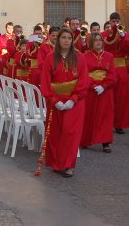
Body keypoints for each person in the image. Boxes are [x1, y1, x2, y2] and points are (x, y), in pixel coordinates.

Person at [40, 27, 89, 178]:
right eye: (63, 38)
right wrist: (53, 100)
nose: (66, 40)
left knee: (70, 133)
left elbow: (83, 81)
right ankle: (57, 163)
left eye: (69, 38)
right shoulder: (50, 58)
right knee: (56, 133)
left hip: (75, 102)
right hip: (55, 101)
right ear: (58, 40)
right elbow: (46, 81)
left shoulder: (79, 57)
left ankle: (68, 165)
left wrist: (73, 99)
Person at [81, 33, 116, 153]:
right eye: (95, 40)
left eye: (100, 40)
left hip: (105, 90)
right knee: (88, 115)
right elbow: (84, 74)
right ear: (91, 42)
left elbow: (112, 75)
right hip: (91, 90)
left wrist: (104, 85)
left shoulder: (109, 56)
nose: (98, 42)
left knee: (105, 116)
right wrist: (94, 85)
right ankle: (85, 140)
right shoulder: (84, 56)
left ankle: (105, 142)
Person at [102, 12, 129, 134]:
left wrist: (123, 36)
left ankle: (119, 124)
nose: (115, 23)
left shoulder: (124, 35)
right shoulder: (104, 34)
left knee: (121, 97)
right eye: (113, 21)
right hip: (108, 68)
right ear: (109, 22)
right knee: (108, 97)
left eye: (117, 21)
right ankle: (107, 122)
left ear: (120, 22)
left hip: (120, 69)